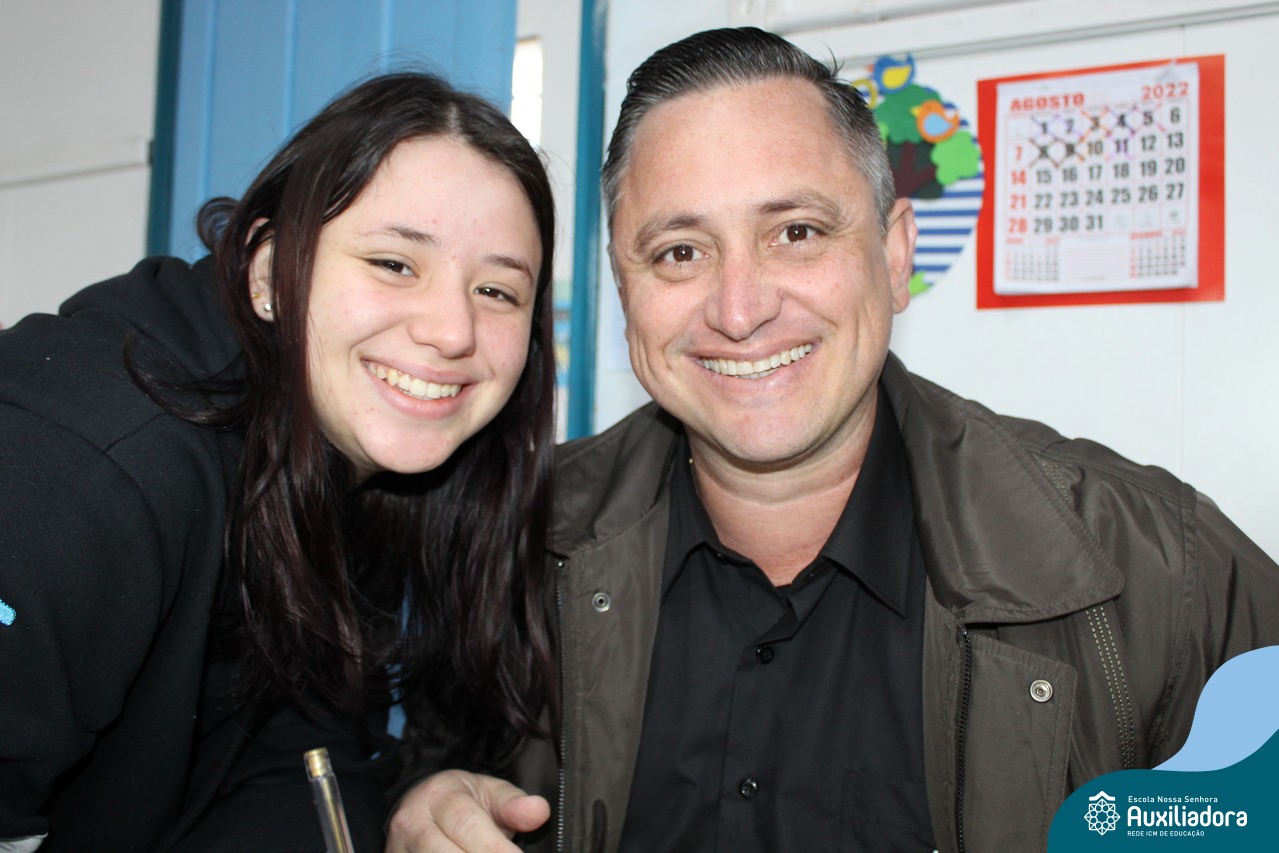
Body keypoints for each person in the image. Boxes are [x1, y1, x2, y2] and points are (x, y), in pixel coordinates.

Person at [388, 27, 1279, 853]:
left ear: (895, 253)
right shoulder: (507, 541)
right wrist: (421, 804)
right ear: (624, 286)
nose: (741, 310)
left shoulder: (1159, 574)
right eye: (680, 252)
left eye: (798, 233)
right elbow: (425, 776)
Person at [0, 72, 557, 851]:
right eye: (394, 263)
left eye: (497, 291)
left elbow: (296, 761)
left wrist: (413, 801)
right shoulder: (91, 471)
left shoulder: (343, 463)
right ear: (268, 275)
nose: (452, 330)